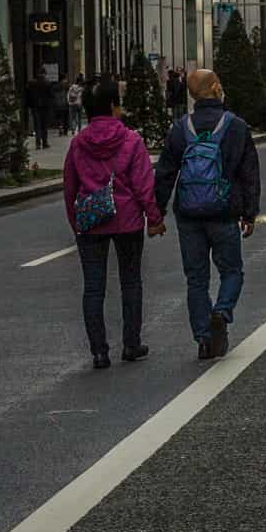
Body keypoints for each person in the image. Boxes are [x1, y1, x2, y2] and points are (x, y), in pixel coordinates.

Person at [154, 69, 262, 361]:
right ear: (215, 88)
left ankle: (203, 338)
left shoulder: (180, 128)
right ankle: (222, 310)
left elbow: (164, 174)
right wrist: (249, 214)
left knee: (196, 279)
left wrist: (156, 213)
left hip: (188, 213)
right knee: (231, 270)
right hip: (224, 211)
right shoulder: (236, 127)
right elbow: (249, 173)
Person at [63, 80, 163, 369]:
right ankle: (131, 344)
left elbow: (70, 188)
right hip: (128, 219)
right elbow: (144, 186)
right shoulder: (132, 140)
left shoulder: (78, 144)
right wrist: (154, 219)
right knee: (130, 282)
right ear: (111, 106)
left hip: (91, 221)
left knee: (93, 288)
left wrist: (77, 223)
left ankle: (99, 351)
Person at [24, 73, 53, 151]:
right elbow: (51, 95)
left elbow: (27, 95)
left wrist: (28, 105)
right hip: (45, 107)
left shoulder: (31, 84)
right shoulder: (47, 83)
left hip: (35, 107)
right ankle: (45, 142)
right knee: (44, 125)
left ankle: (38, 143)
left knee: (37, 125)